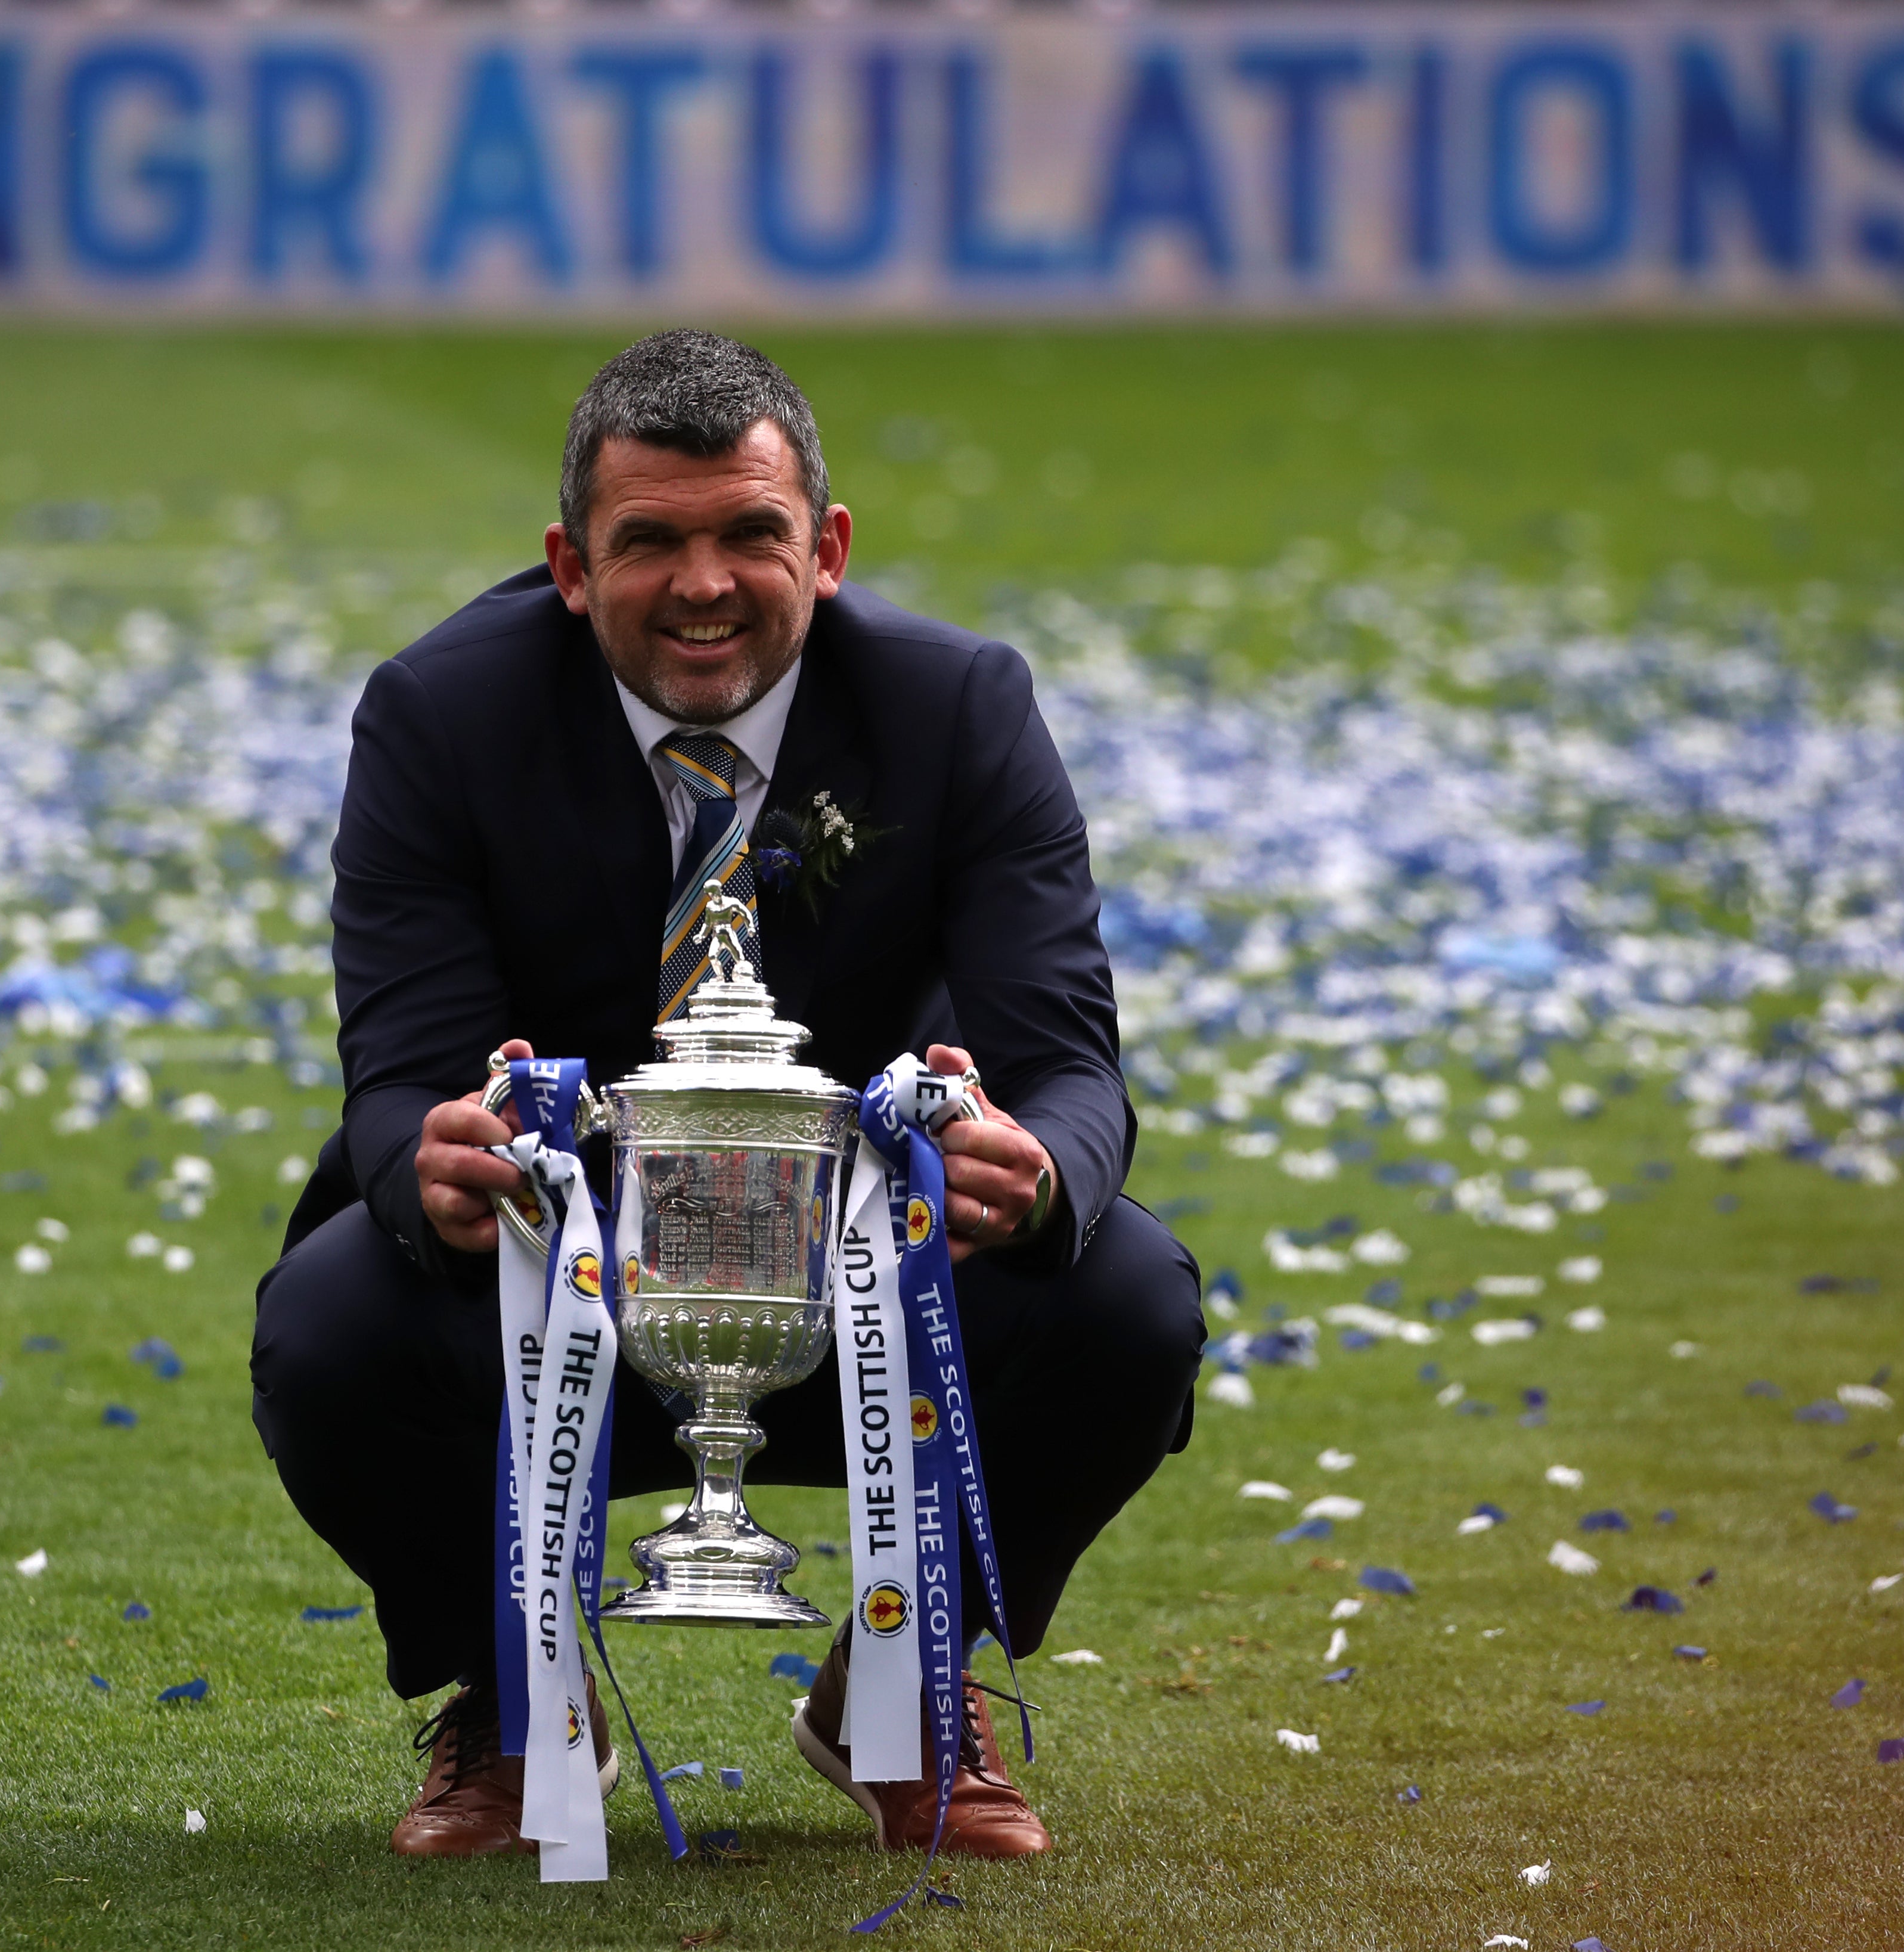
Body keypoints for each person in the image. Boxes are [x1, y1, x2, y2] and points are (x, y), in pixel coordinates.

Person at [251, 330, 1205, 1863]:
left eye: (749, 533)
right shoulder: (438, 714)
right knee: (332, 1328)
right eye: (653, 542)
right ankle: (509, 1707)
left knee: (1133, 1298)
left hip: (871, 1290)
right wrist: (429, 1160)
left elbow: (1072, 1068)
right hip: (548, 1290)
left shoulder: (960, 708)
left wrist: (1037, 1174)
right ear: (572, 565)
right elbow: (402, 1073)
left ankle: (901, 1693)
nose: (706, 581)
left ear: (823, 550)